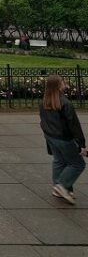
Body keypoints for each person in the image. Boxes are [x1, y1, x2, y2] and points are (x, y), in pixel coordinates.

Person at [39, 74, 87, 205]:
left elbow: (42, 121)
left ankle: (58, 188)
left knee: (59, 161)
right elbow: (74, 125)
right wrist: (81, 144)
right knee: (78, 164)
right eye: (63, 82)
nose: (65, 83)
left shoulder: (44, 102)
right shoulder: (65, 103)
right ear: (58, 86)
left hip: (50, 136)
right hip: (64, 138)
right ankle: (62, 185)